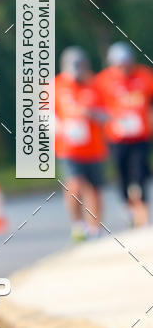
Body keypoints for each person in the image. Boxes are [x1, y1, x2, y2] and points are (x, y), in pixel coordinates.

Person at [95, 42, 153, 227]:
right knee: (123, 173)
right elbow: (97, 106)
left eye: (126, 63)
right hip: (117, 137)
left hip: (140, 136)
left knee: (139, 172)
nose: (124, 68)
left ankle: (142, 212)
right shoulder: (103, 81)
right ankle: (126, 205)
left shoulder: (144, 75)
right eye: (119, 65)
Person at [55, 47, 108, 241]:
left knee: (95, 189)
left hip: (93, 148)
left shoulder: (94, 85)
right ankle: (78, 226)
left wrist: (90, 113)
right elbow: (45, 116)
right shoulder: (56, 86)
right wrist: (61, 128)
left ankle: (95, 228)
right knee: (74, 185)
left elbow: (107, 115)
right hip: (68, 148)